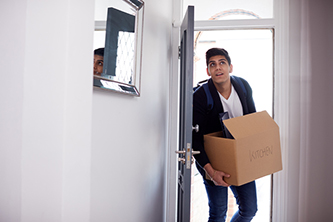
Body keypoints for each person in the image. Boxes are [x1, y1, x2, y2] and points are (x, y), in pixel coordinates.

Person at [192, 48, 258, 222]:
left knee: (250, 209)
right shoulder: (200, 96)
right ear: (208, 71)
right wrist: (211, 172)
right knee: (218, 213)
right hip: (212, 159)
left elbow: (252, 121)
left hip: (239, 155)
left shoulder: (243, 86)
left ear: (230, 67)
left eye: (222, 63)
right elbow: (195, 140)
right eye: (212, 64)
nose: (218, 68)